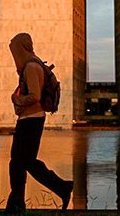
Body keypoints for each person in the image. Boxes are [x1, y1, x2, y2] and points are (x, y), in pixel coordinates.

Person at [5, 32, 73, 212]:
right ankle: (16, 204)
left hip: (31, 120)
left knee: (24, 162)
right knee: (20, 163)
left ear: (22, 48)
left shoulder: (31, 67)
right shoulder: (33, 64)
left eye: (15, 50)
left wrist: (17, 100)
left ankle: (62, 188)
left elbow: (35, 96)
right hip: (30, 119)